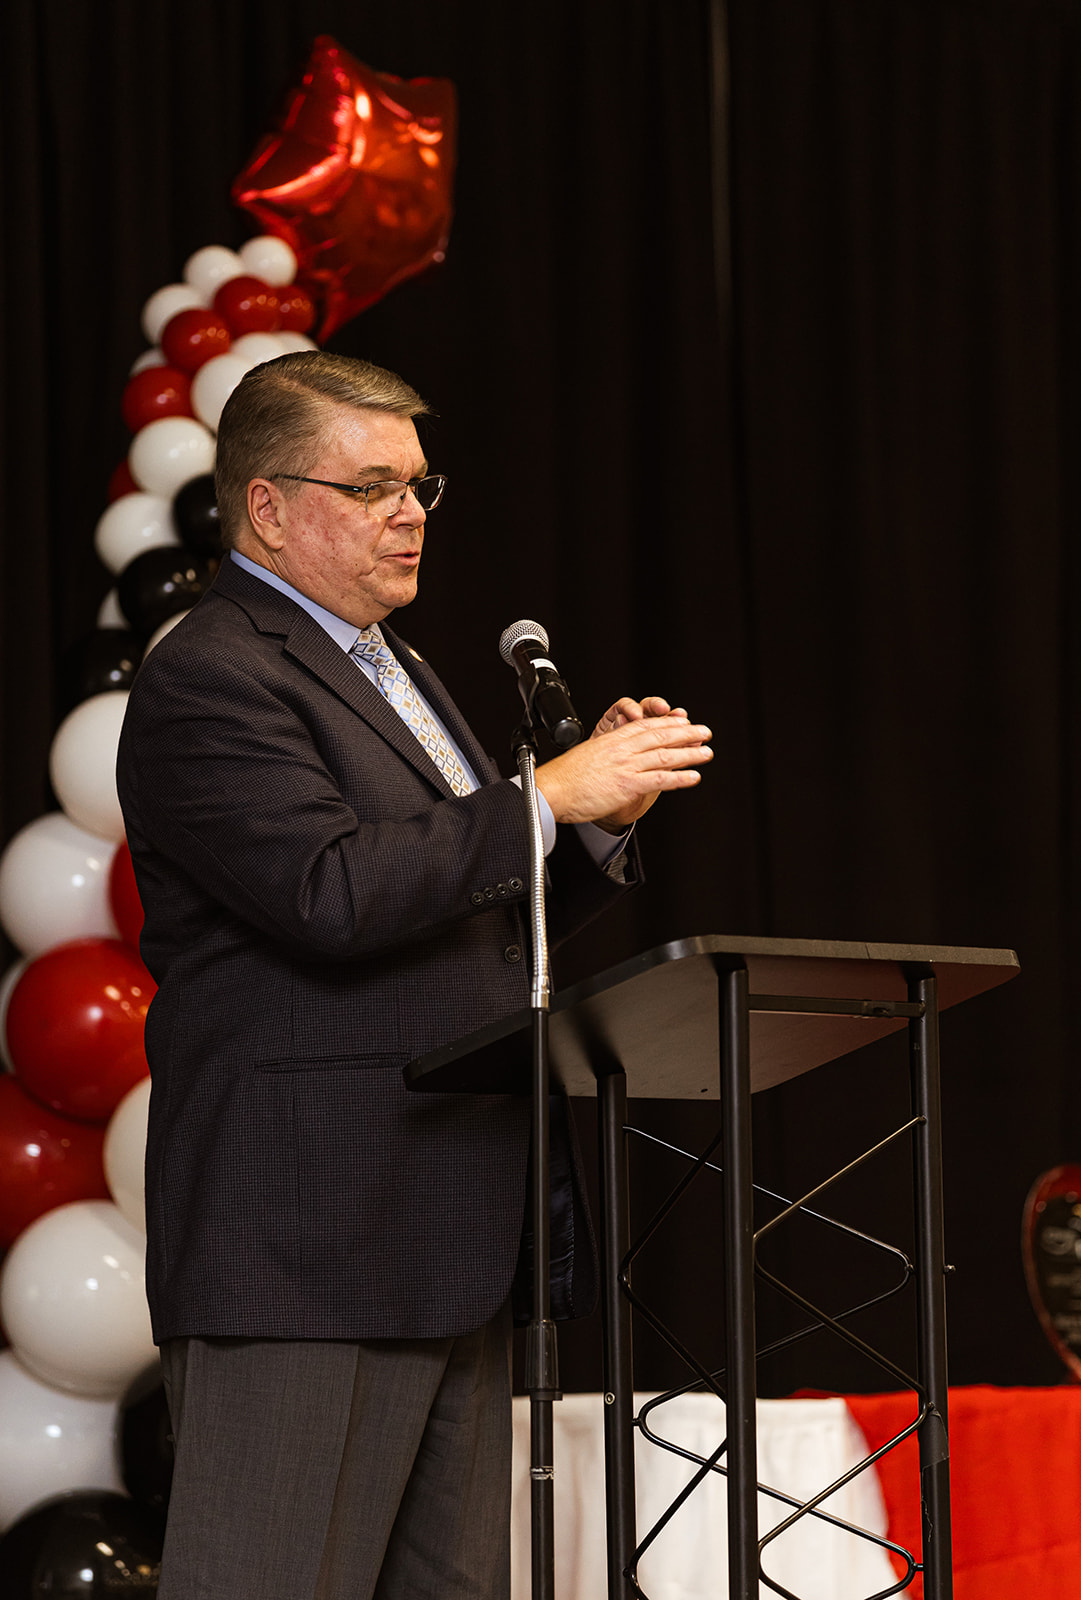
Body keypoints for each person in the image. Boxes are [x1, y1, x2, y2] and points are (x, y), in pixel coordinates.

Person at [116, 350, 712, 1600]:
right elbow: (327, 892)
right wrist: (541, 800)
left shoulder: (398, 667)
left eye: (421, 485)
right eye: (373, 485)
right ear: (268, 507)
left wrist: (589, 825)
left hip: (446, 1228)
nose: (410, 513)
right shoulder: (212, 670)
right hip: (306, 1246)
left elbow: (467, 909)